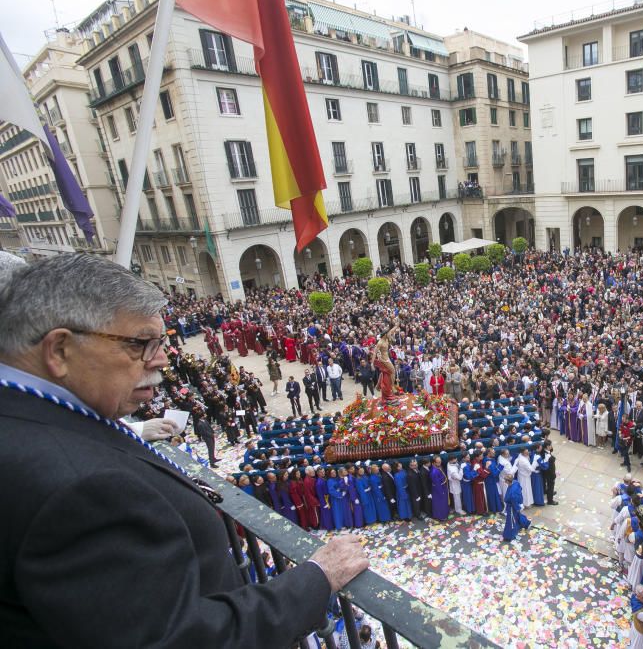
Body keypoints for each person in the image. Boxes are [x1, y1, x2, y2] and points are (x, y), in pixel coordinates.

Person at [0, 254, 368, 646]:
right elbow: (175, 638)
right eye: (142, 343)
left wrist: (135, 428)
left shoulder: (31, 421)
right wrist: (315, 578)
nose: (161, 358)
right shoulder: (74, 484)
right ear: (59, 350)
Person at [502, 474, 530, 542]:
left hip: (512, 507)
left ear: (508, 481)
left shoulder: (512, 493)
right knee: (517, 516)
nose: (505, 482)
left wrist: (518, 508)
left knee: (510, 521)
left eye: (505, 481)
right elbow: (520, 490)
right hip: (518, 503)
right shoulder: (516, 482)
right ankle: (526, 523)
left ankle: (509, 536)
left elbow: (513, 501)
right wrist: (520, 503)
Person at [429, 456, 450, 521]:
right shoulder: (434, 472)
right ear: (433, 463)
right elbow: (437, 484)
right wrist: (441, 492)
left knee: (444, 503)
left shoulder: (438, 467)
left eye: (440, 462)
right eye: (438, 462)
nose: (440, 463)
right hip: (439, 490)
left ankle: (445, 513)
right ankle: (441, 516)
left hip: (443, 487)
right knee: (440, 504)